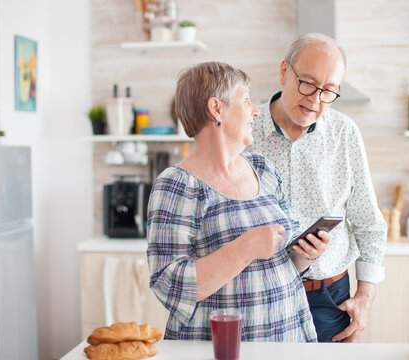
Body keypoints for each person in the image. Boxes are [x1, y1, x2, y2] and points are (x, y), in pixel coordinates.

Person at [146, 61, 330, 342]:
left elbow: (286, 262)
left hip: (289, 337)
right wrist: (245, 248)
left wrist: (306, 253)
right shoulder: (177, 184)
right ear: (216, 108)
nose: (256, 111)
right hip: (220, 348)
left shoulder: (263, 168)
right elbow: (169, 286)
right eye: (246, 100)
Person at [247, 33, 387, 343]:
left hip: (327, 299)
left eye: (328, 91)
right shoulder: (245, 128)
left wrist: (365, 296)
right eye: (307, 83)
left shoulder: (344, 133)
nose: (314, 100)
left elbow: (368, 222)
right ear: (285, 71)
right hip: (257, 295)